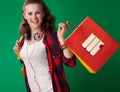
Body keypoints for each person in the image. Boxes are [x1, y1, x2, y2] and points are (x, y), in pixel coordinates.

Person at [13, 0, 76, 92]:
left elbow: (70, 62)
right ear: (24, 15)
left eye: (37, 13)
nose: (34, 17)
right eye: (30, 13)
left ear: (43, 13)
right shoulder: (23, 38)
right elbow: (32, 60)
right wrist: (19, 53)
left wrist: (61, 39)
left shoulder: (52, 37)